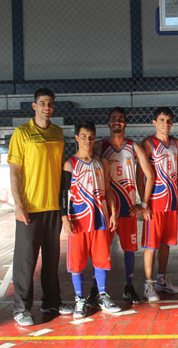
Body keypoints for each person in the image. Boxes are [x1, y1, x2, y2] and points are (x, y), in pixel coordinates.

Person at [8, 88, 73, 326]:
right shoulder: (22, 133)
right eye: (43, 103)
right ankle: (21, 309)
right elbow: (14, 170)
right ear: (34, 106)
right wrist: (18, 203)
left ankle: (51, 302)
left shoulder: (57, 133)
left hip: (53, 208)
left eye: (51, 104)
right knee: (26, 262)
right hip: (30, 209)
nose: (47, 107)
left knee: (51, 259)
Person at [92, 107, 155, 305]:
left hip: (127, 207)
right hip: (106, 209)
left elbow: (150, 175)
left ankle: (129, 287)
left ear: (125, 123)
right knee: (102, 249)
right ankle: (96, 289)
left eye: (121, 119)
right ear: (108, 124)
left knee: (129, 249)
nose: (117, 122)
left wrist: (143, 203)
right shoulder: (99, 146)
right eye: (114, 119)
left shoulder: (133, 147)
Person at [60, 121, 121, 318]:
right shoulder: (70, 164)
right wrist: (64, 218)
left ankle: (102, 295)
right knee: (77, 262)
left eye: (91, 136)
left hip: (100, 219)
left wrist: (113, 213)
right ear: (77, 137)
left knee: (101, 260)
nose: (88, 140)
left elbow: (109, 190)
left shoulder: (101, 162)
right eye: (84, 136)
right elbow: (62, 194)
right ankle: (79, 299)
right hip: (78, 220)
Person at [137, 107, 178, 302]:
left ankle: (162, 279)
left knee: (166, 244)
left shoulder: (176, 143)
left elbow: (177, 172)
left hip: (171, 201)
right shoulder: (148, 143)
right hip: (155, 203)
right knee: (151, 245)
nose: (166, 123)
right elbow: (141, 175)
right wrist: (143, 202)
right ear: (154, 122)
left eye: (169, 120)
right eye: (162, 120)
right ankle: (149, 285)